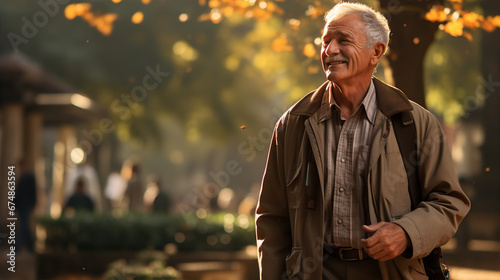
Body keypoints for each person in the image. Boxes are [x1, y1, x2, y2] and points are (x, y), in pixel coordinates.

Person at [255, 2, 470, 280]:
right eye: (326, 41)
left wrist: (406, 233)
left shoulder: (415, 123)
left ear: (376, 52)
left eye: (343, 40)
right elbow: (272, 218)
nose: (330, 50)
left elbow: (449, 201)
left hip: (391, 273)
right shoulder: (293, 123)